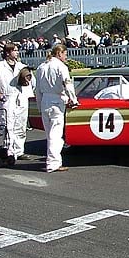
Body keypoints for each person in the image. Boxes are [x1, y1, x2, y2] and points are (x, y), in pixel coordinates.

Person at [35, 44, 79, 173]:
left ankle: (52, 161)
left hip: (45, 101)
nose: (66, 57)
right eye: (65, 54)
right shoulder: (61, 67)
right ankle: (53, 163)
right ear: (59, 53)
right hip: (56, 101)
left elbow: (37, 90)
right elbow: (68, 85)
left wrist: (39, 105)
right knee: (56, 134)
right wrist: (74, 99)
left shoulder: (41, 67)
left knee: (50, 134)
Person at [0, 43, 35, 161]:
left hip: (21, 97)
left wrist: (27, 81)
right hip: (7, 98)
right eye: (14, 50)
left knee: (21, 125)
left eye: (17, 50)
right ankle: (8, 151)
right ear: (8, 53)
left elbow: (32, 82)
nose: (17, 52)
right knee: (8, 126)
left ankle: (19, 151)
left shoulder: (22, 66)